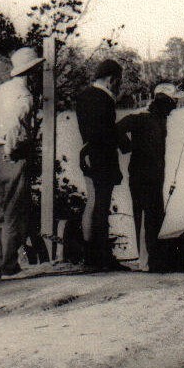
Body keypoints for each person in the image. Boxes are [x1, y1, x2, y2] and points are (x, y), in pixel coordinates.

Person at [0, 47, 43, 279]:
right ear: (31, 70)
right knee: (14, 211)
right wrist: (11, 146)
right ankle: (9, 266)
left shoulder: (2, 89)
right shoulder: (24, 95)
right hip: (13, 154)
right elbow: (16, 125)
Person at [117, 83, 184, 272]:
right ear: (164, 101)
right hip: (142, 175)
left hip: (156, 176)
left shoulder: (160, 118)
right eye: (174, 102)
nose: (175, 106)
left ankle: (152, 259)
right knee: (146, 217)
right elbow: (117, 129)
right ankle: (146, 262)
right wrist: (127, 147)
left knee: (155, 215)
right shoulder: (143, 116)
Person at [75, 59, 126, 270]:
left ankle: (90, 255)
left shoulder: (83, 96)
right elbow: (106, 131)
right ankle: (103, 257)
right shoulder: (104, 98)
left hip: (87, 153)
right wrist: (124, 143)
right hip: (101, 156)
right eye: (118, 81)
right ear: (111, 79)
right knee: (101, 205)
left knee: (92, 202)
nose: (119, 86)